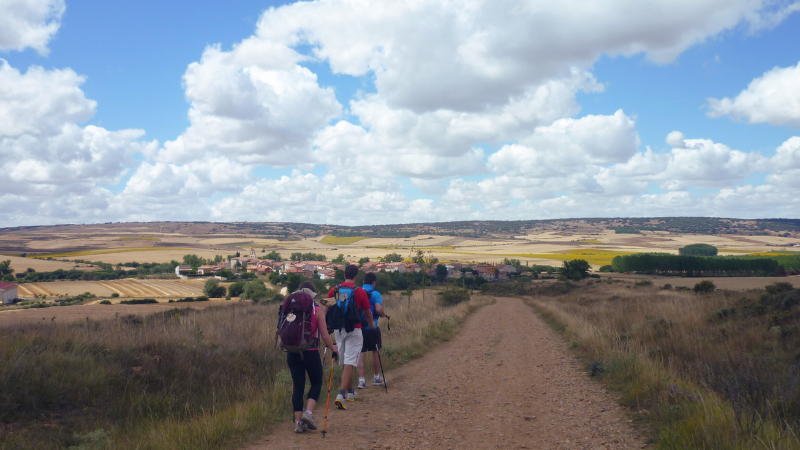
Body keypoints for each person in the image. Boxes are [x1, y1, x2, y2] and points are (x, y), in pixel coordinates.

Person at [285, 281, 338, 434]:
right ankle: (308, 414)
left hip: (292, 352)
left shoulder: (290, 310)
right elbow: (325, 335)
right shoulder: (317, 310)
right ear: (313, 295)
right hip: (310, 352)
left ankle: (299, 423)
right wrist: (332, 347)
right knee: (316, 383)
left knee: (298, 387)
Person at [326, 264, 375, 410]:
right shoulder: (359, 291)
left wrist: (327, 326)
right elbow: (367, 312)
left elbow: (326, 309)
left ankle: (351, 391)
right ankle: (341, 395)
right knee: (349, 361)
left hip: (338, 330)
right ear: (356, 276)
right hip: (355, 330)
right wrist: (372, 326)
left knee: (346, 361)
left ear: (344, 275)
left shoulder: (334, 290)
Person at [357, 272, 387, 389]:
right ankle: (376, 377)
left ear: (363, 282)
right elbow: (378, 309)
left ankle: (361, 380)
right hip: (372, 327)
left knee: (360, 353)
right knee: (376, 352)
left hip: (359, 327)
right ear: (374, 282)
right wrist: (383, 314)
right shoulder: (375, 293)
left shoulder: (357, 292)